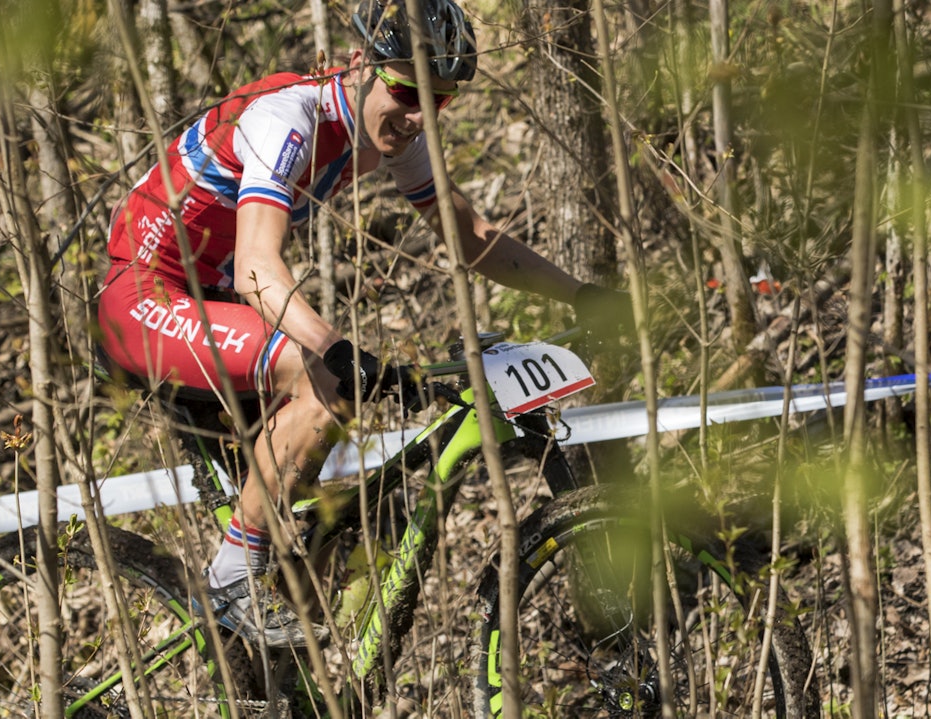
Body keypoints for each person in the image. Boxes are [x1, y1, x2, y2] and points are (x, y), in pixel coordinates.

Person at [97, 0, 630, 648]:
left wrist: (581, 294)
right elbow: (256, 267)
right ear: (360, 65)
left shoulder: (391, 135)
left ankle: (289, 667)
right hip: (146, 293)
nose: (417, 117)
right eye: (407, 90)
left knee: (350, 512)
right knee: (323, 382)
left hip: (210, 299)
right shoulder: (286, 118)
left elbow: (471, 237)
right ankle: (232, 582)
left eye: (439, 103)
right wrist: (332, 347)